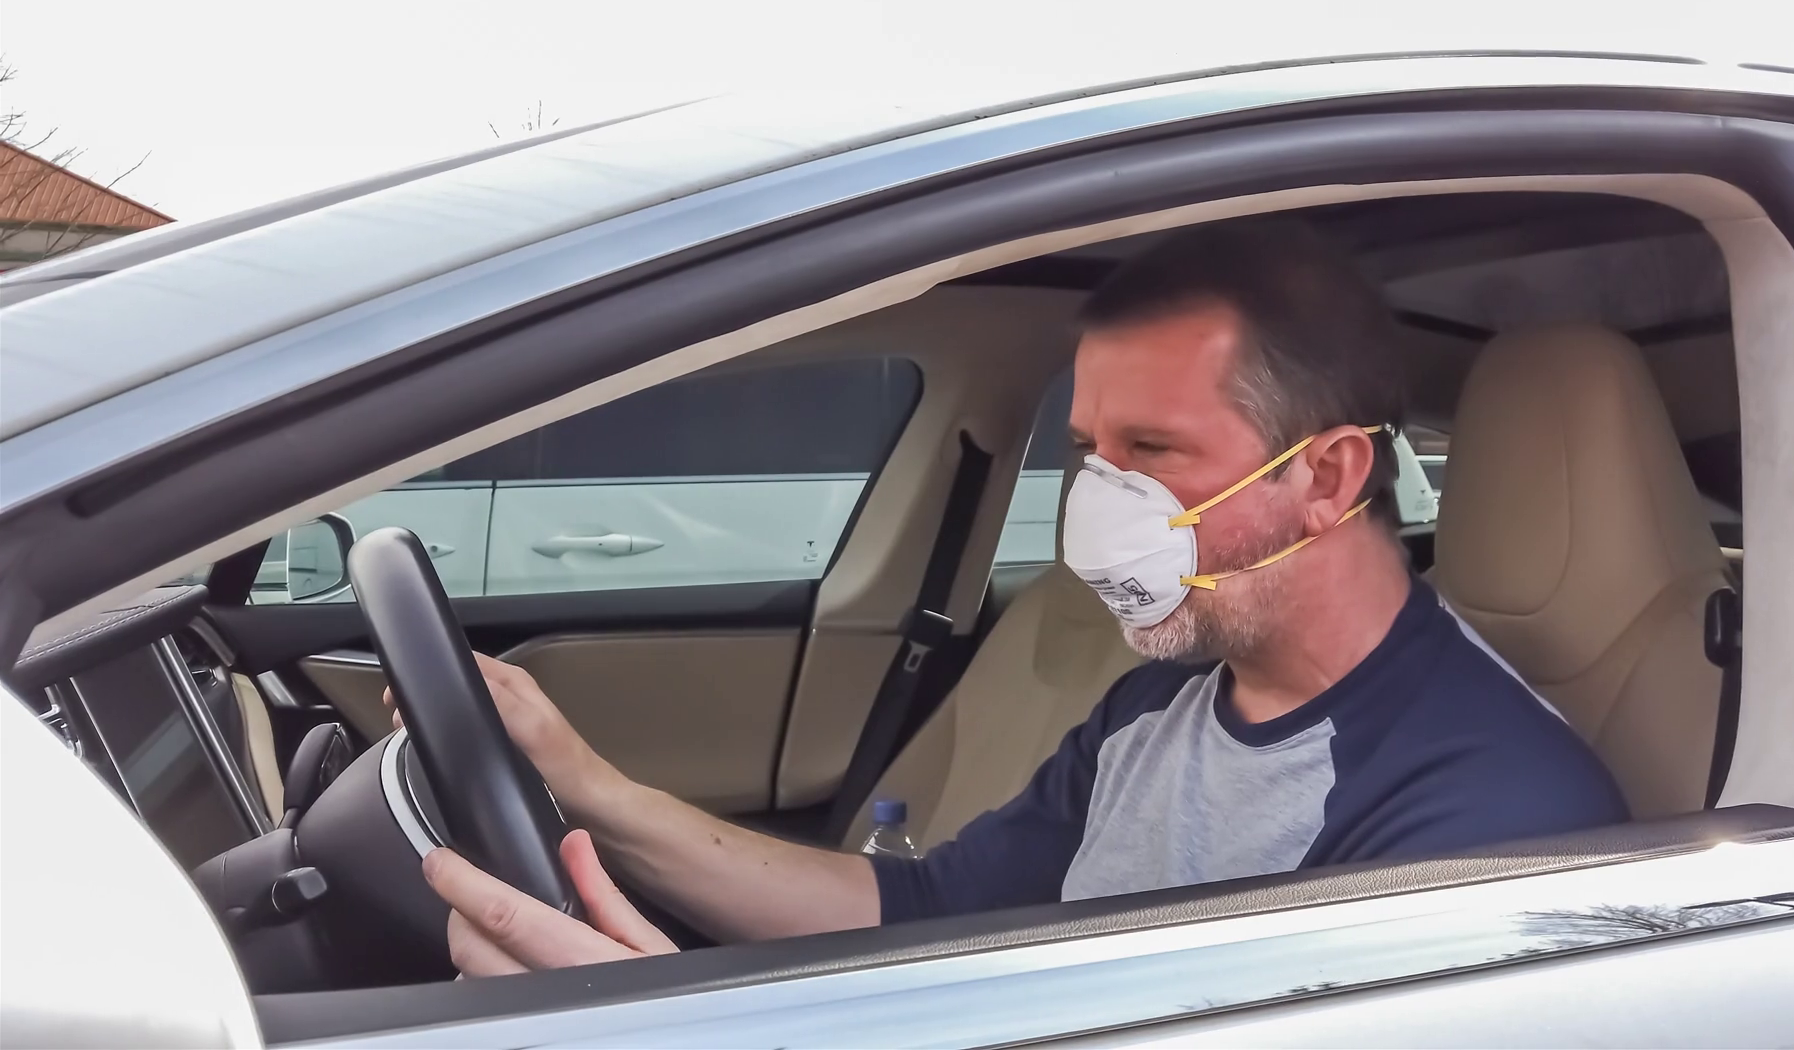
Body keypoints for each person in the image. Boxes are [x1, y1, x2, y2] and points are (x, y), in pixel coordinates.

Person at [408, 219, 1630, 976]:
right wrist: (592, 790)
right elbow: (916, 907)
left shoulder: (1493, 812)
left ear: (1326, 477)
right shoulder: (1163, 704)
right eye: (1091, 450)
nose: (1099, 502)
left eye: (1153, 450)